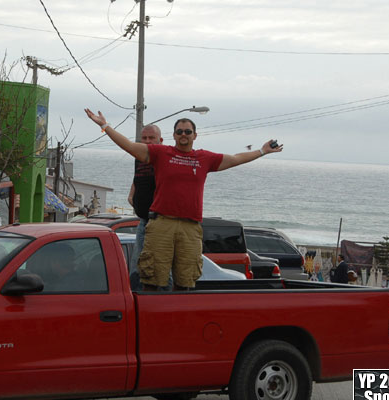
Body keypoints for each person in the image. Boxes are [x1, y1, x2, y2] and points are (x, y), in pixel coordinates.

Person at [85, 108, 283, 291]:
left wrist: (263, 151)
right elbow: (128, 146)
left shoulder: (204, 158)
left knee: (186, 281)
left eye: (188, 132)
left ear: (195, 135)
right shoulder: (161, 153)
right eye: (179, 132)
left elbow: (236, 158)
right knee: (152, 279)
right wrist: (104, 126)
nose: (183, 135)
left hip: (190, 228)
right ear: (173, 135)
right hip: (162, 224)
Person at [126, 124, 163, 290]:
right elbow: (138, 178)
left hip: (159, 222)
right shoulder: (139, 157)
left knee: (159, 273)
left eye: (151, 138)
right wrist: (132, 195)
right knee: (136, 270)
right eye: (144, 138)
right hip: (143, 220)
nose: (147, 141)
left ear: (160, 140)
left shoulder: (164, 157)